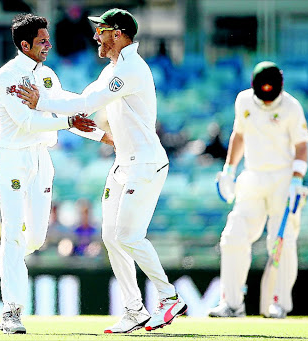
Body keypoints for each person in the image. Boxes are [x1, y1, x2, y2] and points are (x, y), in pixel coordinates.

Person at [17, 8, 187, 333]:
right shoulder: (114, 69)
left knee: (127, 236)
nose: (96, 36)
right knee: (110, 236)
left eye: (103, 30)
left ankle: (168, 297)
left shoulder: (131, 69)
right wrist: (59, 107)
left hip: (146, 164)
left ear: (119, 33)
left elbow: (85, 104)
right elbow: (85, 104)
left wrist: (42, 102)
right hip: (124, 164)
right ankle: (134, 309)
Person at [0, 13, 110, 334]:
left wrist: (100, 128)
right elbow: (28, 122)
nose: (49, 44)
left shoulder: (47, 76)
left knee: (37, 237)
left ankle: (11, 256)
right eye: (42, 40)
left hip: (41, 158)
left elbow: (64, 105)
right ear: (25, 44)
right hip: (12, 158)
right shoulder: (8, 77)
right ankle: (11, 311)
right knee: (14, 233)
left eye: (48, 38)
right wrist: (68, 122)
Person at [210, 61, 308, 319]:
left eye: (271, 95)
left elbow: (301, 145)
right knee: (233, 236)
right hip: (252, 176)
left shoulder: (291, 107)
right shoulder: (244, 101)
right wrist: (229, 170)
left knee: (282, 242)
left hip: (284, 179)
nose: (267, 102)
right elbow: (239, 135)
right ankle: (232, 303)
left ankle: (279, 303)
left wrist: (297, 179)